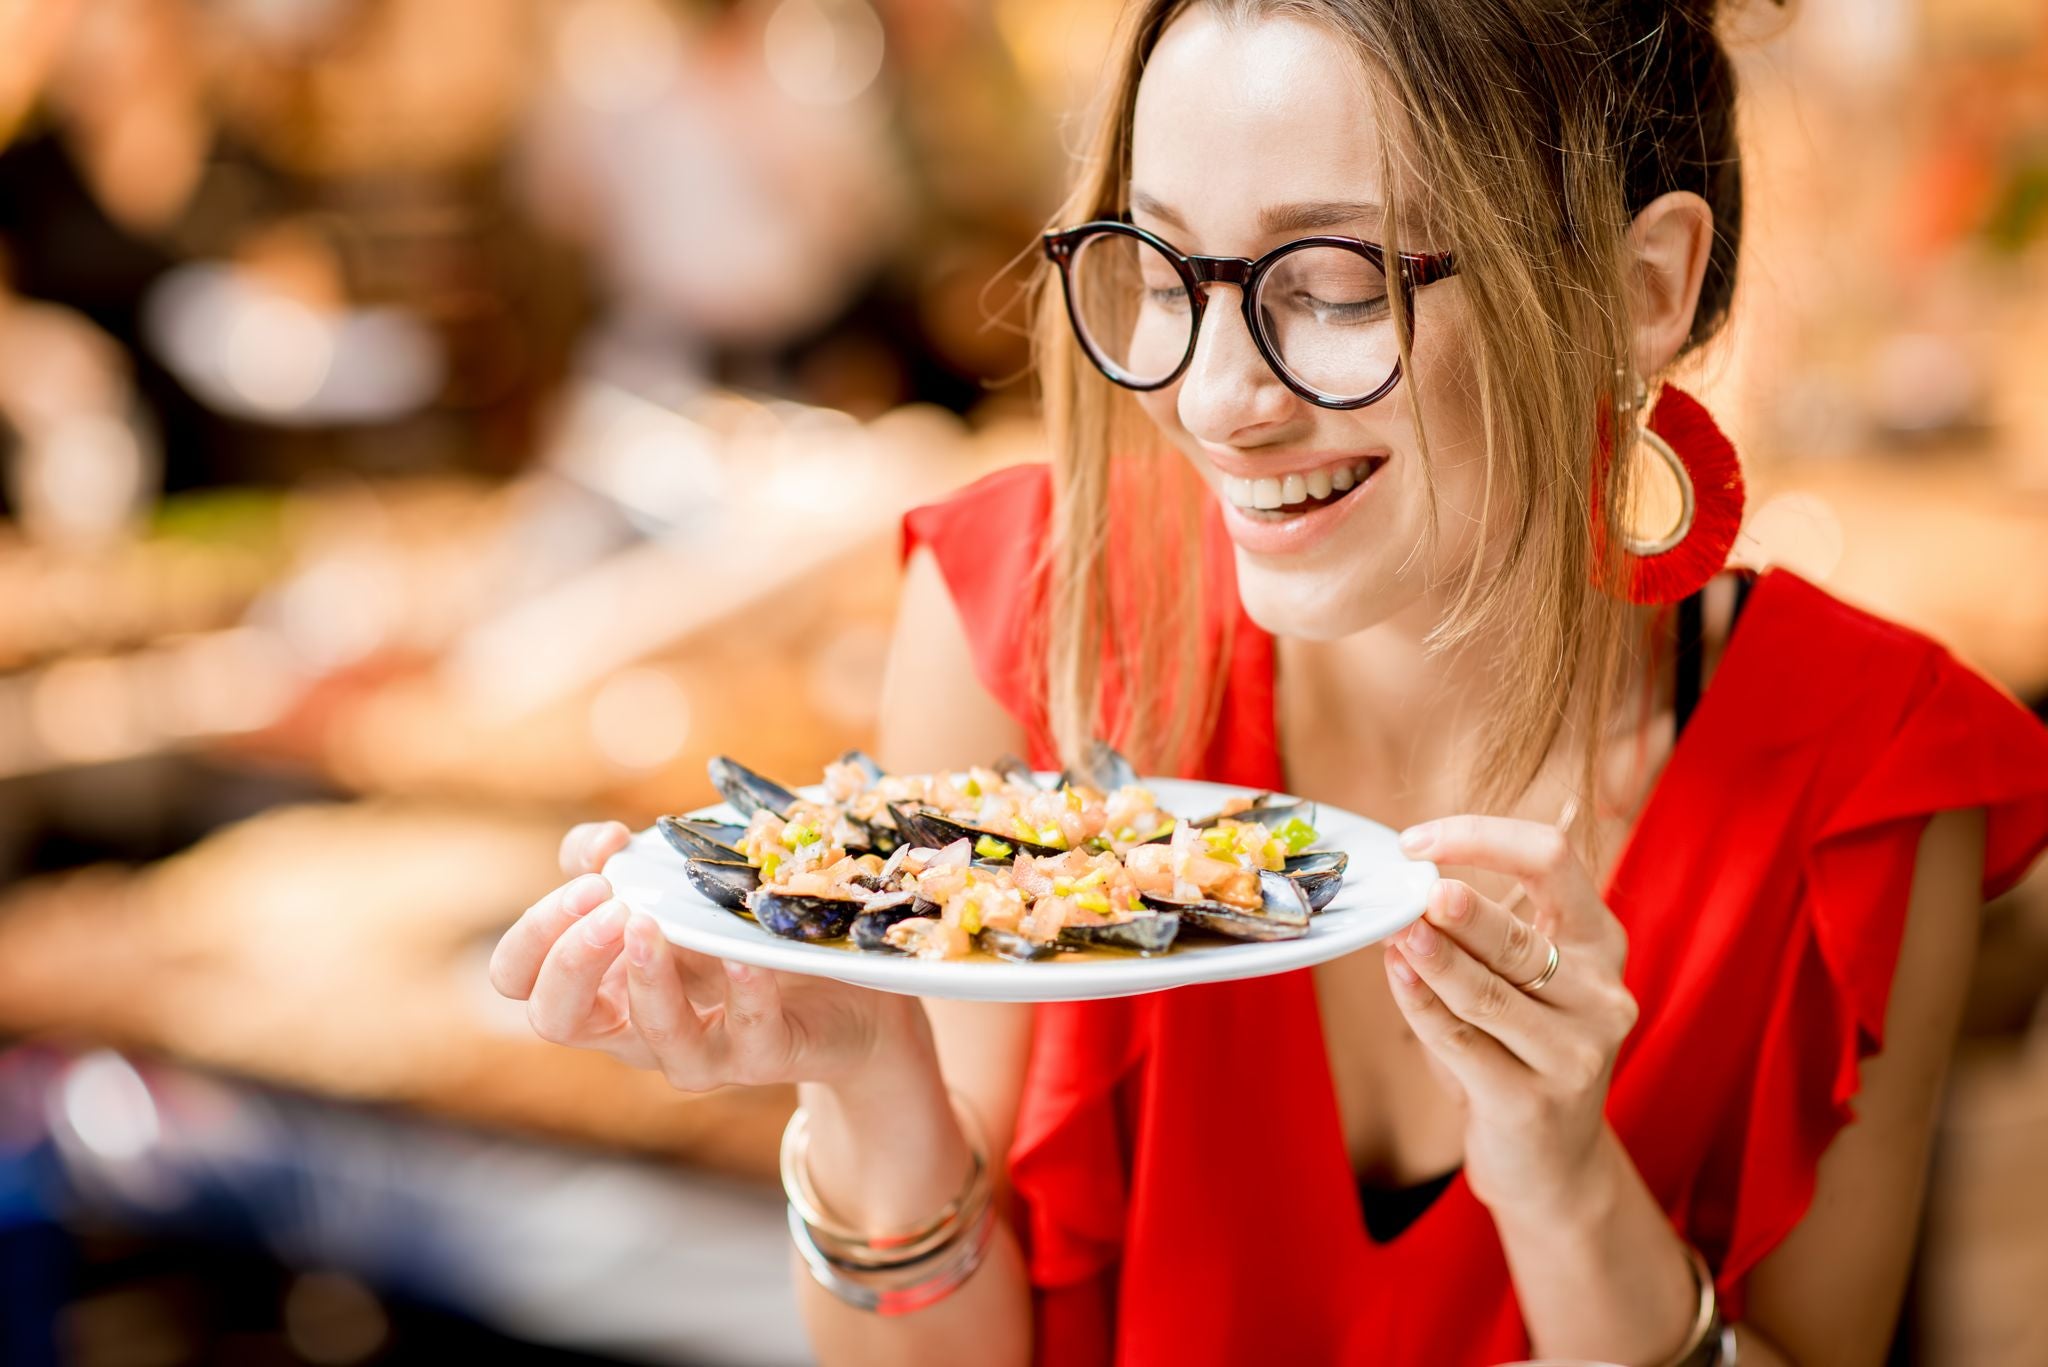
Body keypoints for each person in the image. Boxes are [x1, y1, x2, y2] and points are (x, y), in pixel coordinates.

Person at [489, 2, 2048, 1362]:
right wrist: (866, 1075)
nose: (1215, 396)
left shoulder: (1867, 772)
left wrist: (1567, 1181)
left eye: (1337, 280)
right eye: (1164, 266)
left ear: (1645, 289)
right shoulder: (1028, 615)